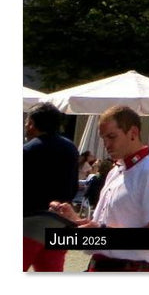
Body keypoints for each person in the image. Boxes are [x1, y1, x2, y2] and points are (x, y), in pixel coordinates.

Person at [48, 105, 149, 272]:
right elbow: (104, 227)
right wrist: (75, 219)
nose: (106, 144)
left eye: (112, 137)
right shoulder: (116, 171)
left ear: (133, 133)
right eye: (103, 138)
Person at [23, 102, 80, 272]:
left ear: (32, 124)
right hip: (61, 223)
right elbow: (73, 187)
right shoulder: (71, 148)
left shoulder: (28, 150)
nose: (25, 126)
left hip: (30, 222)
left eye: (27, 122)